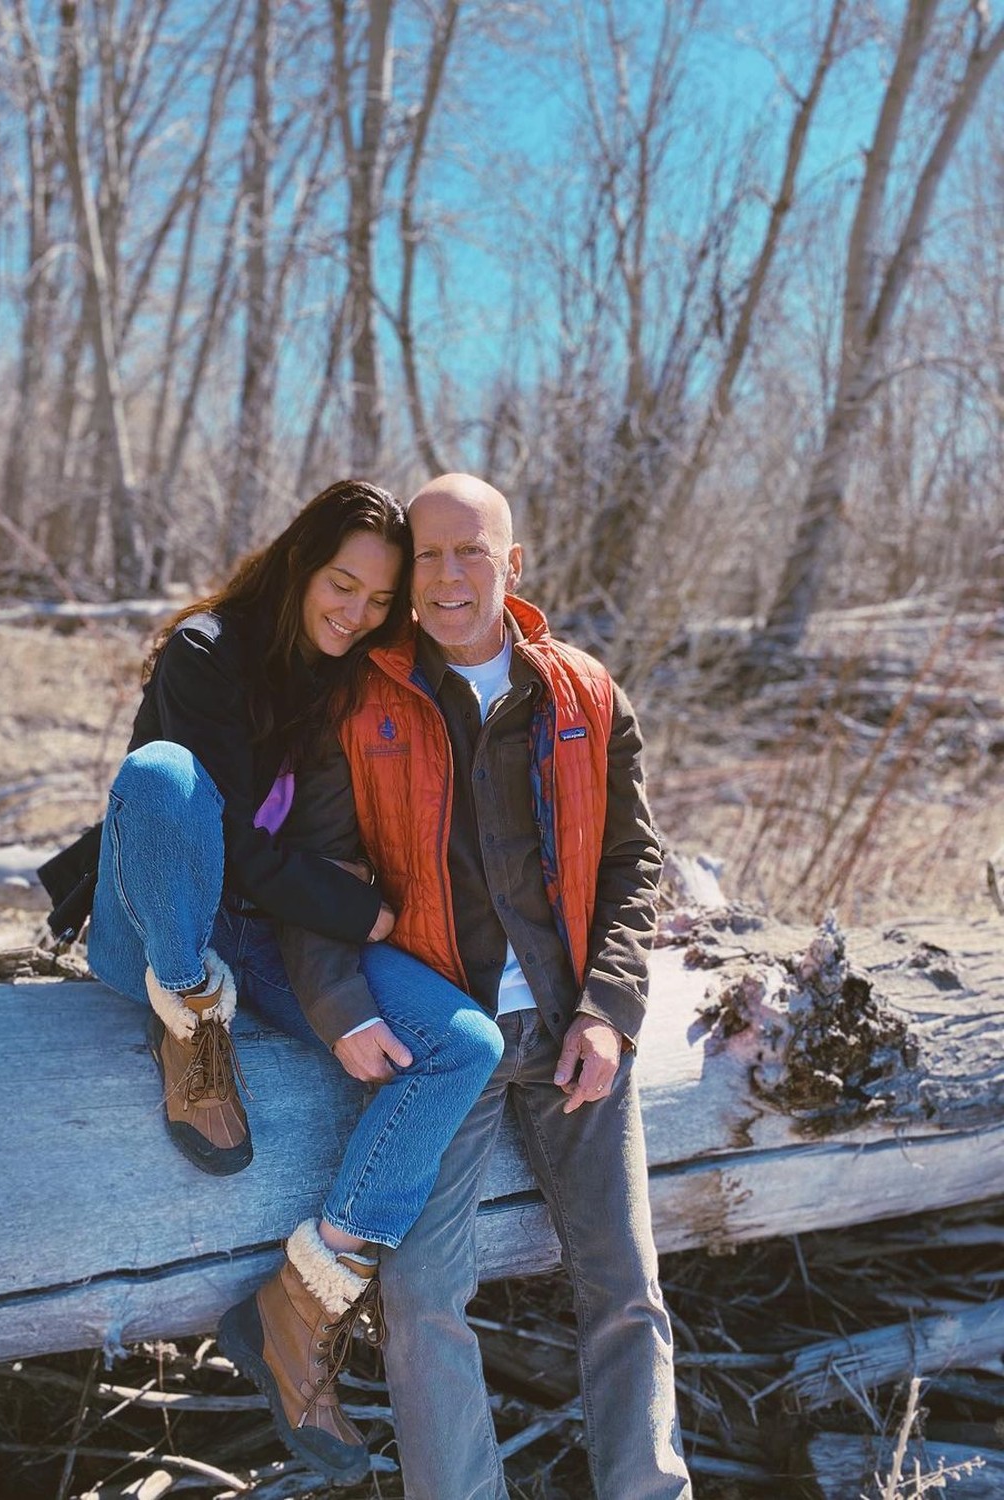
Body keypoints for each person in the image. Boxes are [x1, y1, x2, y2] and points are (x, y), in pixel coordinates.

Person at [83, 479, 504, 1486]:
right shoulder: (207, 652)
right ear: (299, 565)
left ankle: (302, 1300)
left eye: (378, 600)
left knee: (464, 1045)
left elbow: (312, 847)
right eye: (341, 584)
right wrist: (355, 908)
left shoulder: (354, 684)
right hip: (155, 921)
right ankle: (191, 1025)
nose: (355, 613)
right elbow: (220, 837)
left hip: (266, 929)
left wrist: (351, 921)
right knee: (165, 776)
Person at [278, 473, 692, 1498]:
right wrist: (341, 1005)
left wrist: (610, 1010)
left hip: (568, 1029)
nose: (449, 575)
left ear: (513, 564)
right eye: (429, 554)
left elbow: (633, 863)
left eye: (472, 551)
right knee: (420, 1298)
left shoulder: (586, 694)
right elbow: (315, 872)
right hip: (443, 1040)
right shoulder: (359, 699)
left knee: (626, 1286)